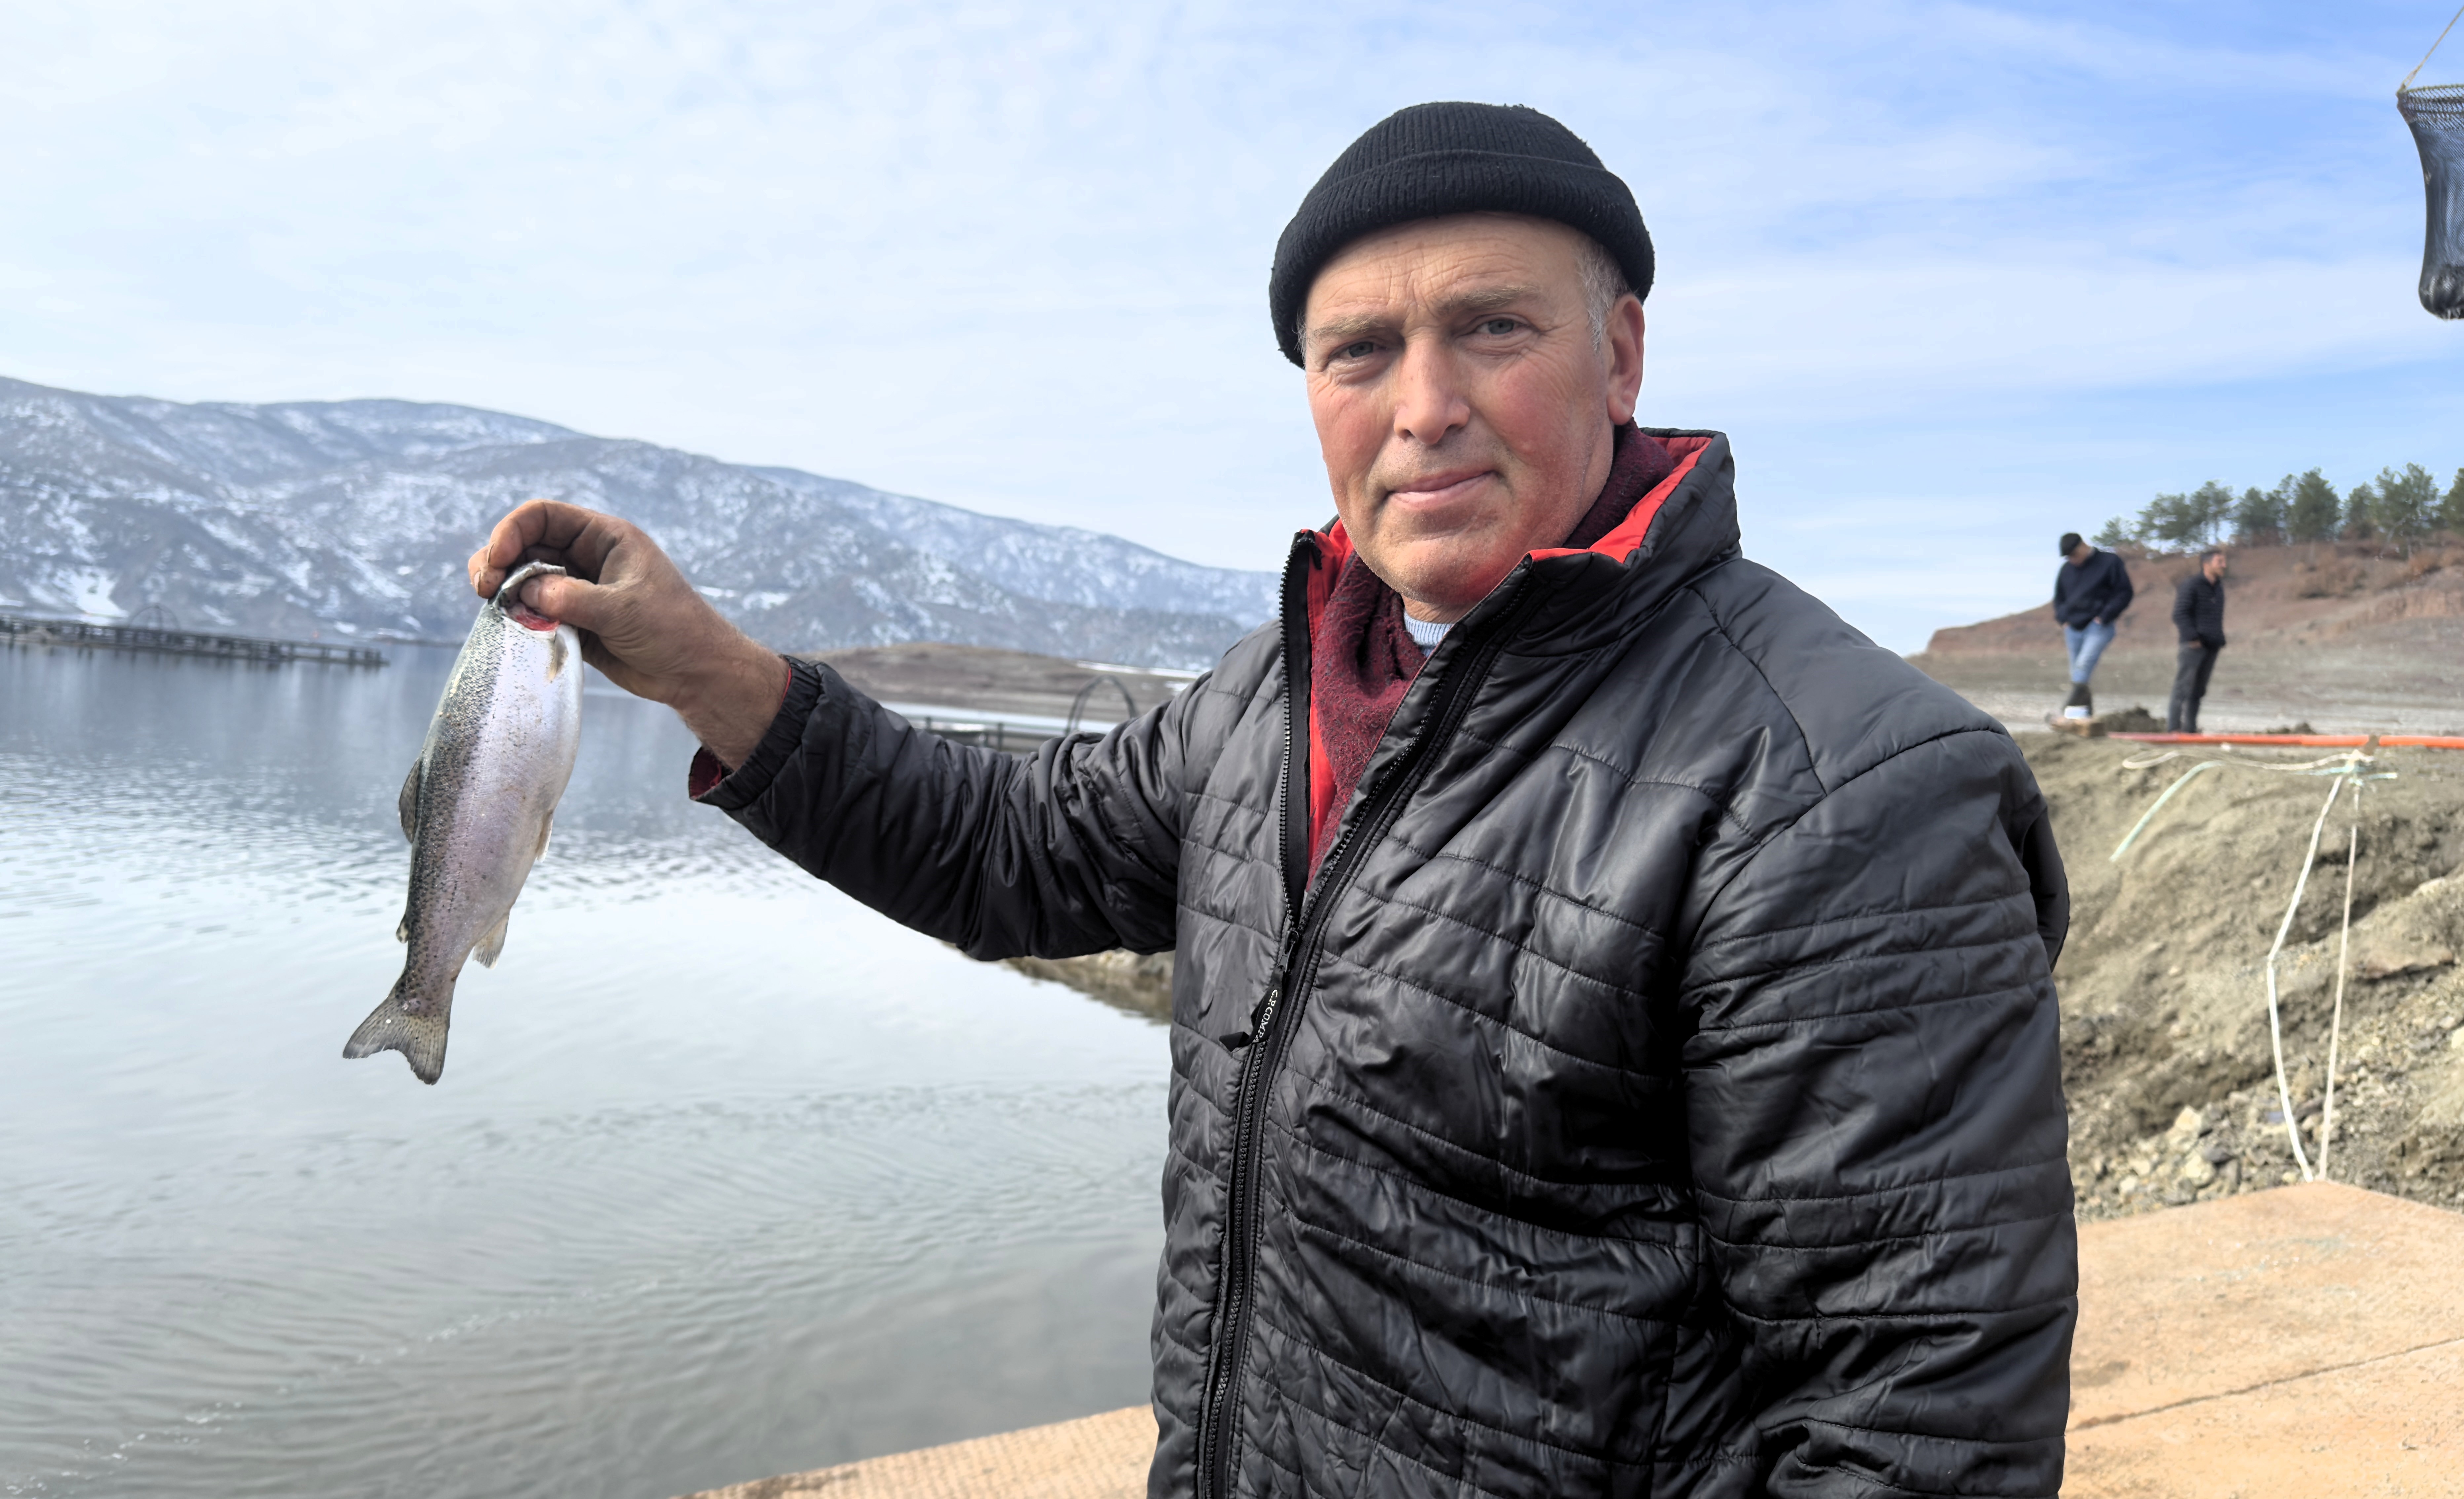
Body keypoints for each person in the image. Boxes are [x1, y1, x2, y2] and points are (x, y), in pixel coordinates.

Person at [474, 103, 2076, 1499]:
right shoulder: (1272, 699)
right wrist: (698, 664)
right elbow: (1001, 851)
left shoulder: (1834, 786)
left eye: (1491, 329)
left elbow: (1918, 1431)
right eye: (1357, 353)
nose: (1420, 404)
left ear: (1622, 351)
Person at [2052, 532, 2134, 719]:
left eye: (2074, 555)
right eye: (2068, 557)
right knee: (2078, 672)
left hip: (2098, 626)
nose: (2072, 560)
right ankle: (2084, 715)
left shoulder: (2110, 562)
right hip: (2073, 627)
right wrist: (2062, 618)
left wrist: (2105, 616)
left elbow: (2124, 592)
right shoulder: (2067, 569)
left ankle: (2068, 710)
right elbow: (2059, 597)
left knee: (2083, 666)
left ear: (2082, 547)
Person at [2167, 547, 2229, 734]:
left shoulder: (2218, 588)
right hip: (2193, 645)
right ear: (2206, 565)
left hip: (2212, 645)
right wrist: (2192, 637)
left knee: (2198, 690)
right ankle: (2174, 729)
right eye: (2220, 562)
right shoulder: (2192, 585)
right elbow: (2179, 614)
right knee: (2183, 687)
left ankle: (2190, 730)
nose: (2224, 565)